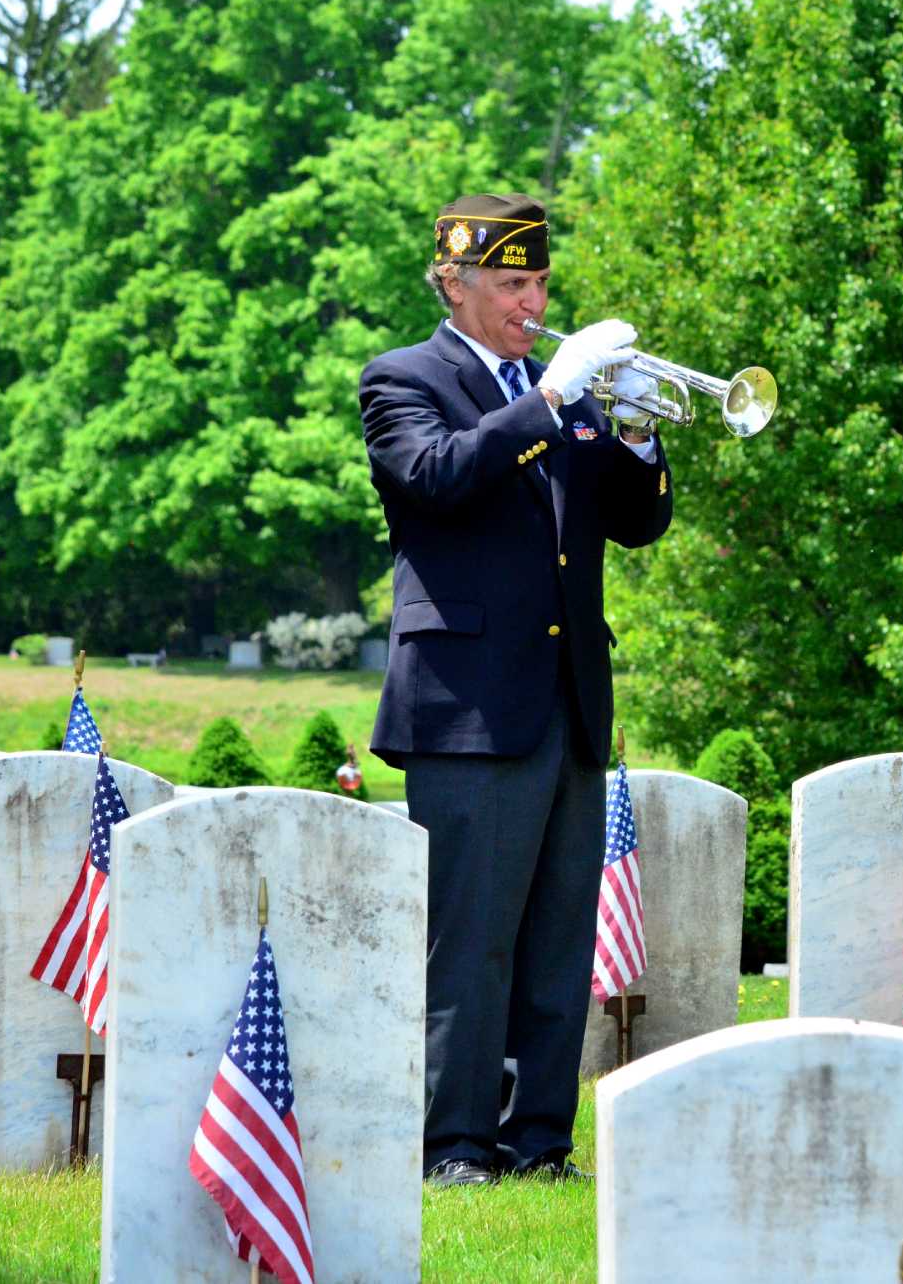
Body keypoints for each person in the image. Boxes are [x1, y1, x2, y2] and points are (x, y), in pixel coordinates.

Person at [358, 192, 673, 1187]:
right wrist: (545, 405)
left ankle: (540, 1141)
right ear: (453, 284)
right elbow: (439, 476)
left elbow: (635, 527)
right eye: (509, 285)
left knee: (553, 949)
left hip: (568, 703)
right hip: (468, 710)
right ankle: (453, 1144)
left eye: (537, 282)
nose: (530, 302)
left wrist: (631, 436)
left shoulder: (563, 388)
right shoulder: (403, 380)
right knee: (469, 947)